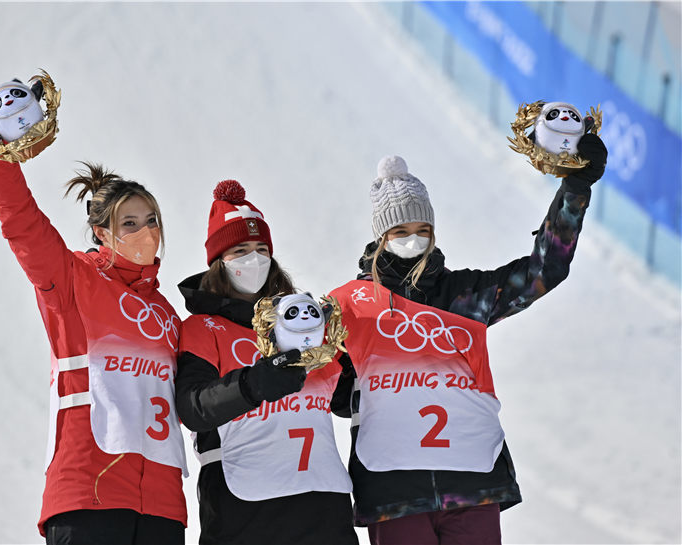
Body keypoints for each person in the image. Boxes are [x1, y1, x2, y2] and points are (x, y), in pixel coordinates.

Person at [329, 134, 607, 544]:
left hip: (471, 481)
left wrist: (575, 189)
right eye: (401, 230)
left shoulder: (465, 295)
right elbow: (328, 394)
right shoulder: (353, 306)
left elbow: (543, 271)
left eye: (423, 229)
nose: (413, 238)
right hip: (394, 491)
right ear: (381, 235)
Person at [0, 99, 188, 544]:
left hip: (162, 506)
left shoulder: (167, 314)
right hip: (88, 494)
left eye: (151, 221)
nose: (145, 232)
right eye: (129, 223)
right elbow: (23, 225)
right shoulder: (72, 280)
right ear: (102, 233)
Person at [175, 179, 358, 544]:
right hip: (244, 508)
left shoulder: (304, 323)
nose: (254, 259)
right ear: (218, 262)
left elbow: (344, 400)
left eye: (262, 249)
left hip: (323, 505)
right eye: (240, 250)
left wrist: (351, 355)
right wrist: (251, 385)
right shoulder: (203, 327)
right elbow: (192, 408)